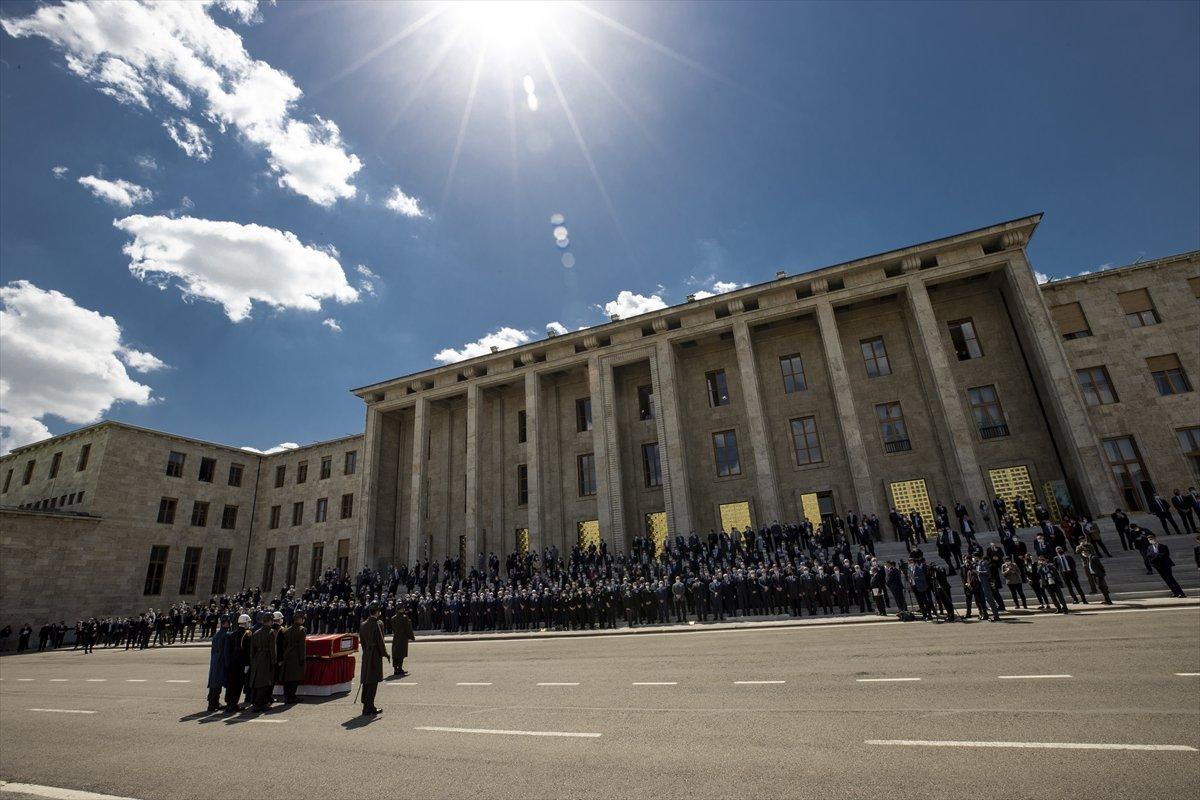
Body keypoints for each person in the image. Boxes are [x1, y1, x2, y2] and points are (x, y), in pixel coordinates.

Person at [358, 603, 388, 716]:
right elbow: (380, 641)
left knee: (366, 680)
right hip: (375, 655)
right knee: (373, 681)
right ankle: (368, 707)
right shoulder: (377, 623)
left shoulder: (363, 624)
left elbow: (362, 641)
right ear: (377, 612)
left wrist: (367, 651)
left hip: (366, 654)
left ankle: (367, 704)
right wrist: (385, 654)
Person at [248, 611, 276, 713]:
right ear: (270, 621)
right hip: (266, 658)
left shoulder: (256, 632)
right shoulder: (271, 632)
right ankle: (260, 704)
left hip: (257, 658)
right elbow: (273, 649)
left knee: (256, 682)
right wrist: (273, 662)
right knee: (264, 683)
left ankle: (256, 702)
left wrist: (253, 661)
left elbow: (252, 650)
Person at [224, 613, 251, 713]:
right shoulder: (247, 634)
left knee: (231, 684)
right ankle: (233, 704)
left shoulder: (232, 633)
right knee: (238, 685)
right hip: (241, 663)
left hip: (232, 663)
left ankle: (229, 704)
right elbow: (247, 651)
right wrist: (247, 664)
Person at [279, 609, 306, 704]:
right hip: (296, 655)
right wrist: (302, 658)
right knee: (294, 678)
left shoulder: (286, 630)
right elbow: (302, 646)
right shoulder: (301, 630)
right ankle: (292, 696)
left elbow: (284, 645)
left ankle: (287, 696)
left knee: (287, 678)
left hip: (287, 654)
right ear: (301, 619)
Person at [206, 616, 230, 712]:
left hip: (215, 660)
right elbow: (225, 651)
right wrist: (227, 663)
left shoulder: (216, 635)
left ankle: (213, 702)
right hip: (221, 660)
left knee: (214, 681)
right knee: (218, 682)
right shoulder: (225, 634)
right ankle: (212, 704)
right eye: (228, 622)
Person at [390, 606, 415, 677]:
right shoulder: (404, 617)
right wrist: (411, 636)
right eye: (402, 608)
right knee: (401, 653)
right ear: (400, 610)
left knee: (395, 653)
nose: (403, 609)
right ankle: (400, 668)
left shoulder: (393, 618)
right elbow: (408, 628)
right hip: (403, 638)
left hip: (396, 637)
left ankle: (395, 669)